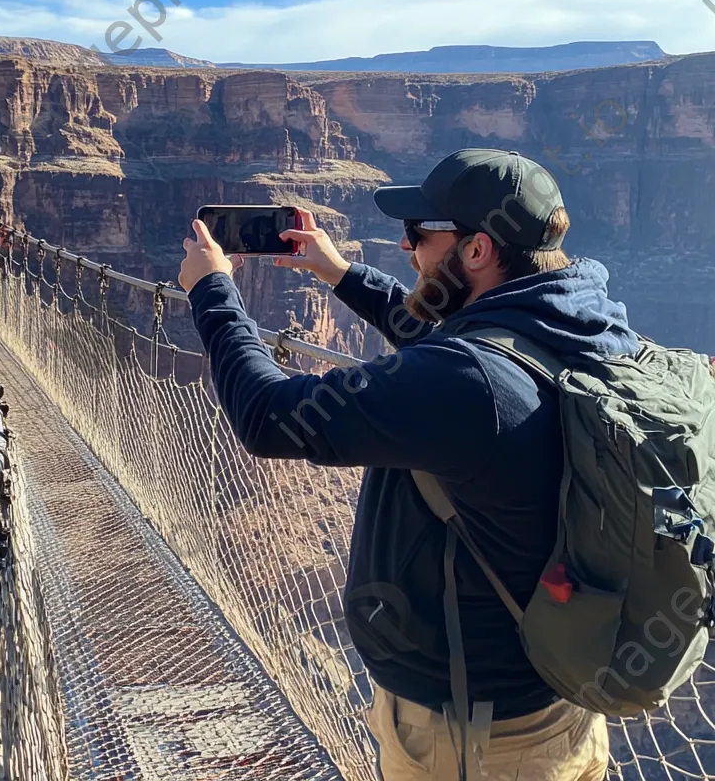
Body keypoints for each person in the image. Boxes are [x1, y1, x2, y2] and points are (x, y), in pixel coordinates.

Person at [179, 149, 622, 780]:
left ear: (476, 252)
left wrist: (213, 292)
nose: (407, 248)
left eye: (419, 234)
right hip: (562, 706)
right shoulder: (581, 322)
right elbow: (462, 346)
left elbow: (269, 416)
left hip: (473, 741)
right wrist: (339, 273)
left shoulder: (467, 385)